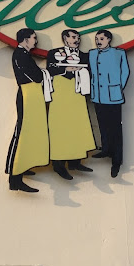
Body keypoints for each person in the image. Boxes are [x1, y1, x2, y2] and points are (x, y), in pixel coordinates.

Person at [46, 29, 96, 180]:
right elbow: (50, 69)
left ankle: (76, 161)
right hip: (60, 92)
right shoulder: (54, 53)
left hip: (77, 93)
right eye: (73, 37)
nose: (76, 40)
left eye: (78, 37)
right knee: (60, 126)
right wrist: (66, 69)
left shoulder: (84, 55)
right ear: (65, 38)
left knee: (78, 124)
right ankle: (58, 164)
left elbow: (91, 70)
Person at [5, 28, 51, 193]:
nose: (35, 41)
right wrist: (44, 73)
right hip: (27, 95)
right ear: (25, 40)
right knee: (22, 132)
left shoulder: (24, 55)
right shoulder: (20, 55)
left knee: (30, 132)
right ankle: (15, 177)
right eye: (33, 38)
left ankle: (23, 166)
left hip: (32, 95)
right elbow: (36, 76)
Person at [88, 29, 130, 178]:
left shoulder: (118, 53)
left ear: (109, 40)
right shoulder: (92, 53)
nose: (98, 41)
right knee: (102, 125)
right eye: (96, 39)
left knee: (115, 129)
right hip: (98, 96)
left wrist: (117, 88)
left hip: (113, 97)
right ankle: (105, 149)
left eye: (101, 39)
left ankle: (116, 160)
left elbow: (125, 72)